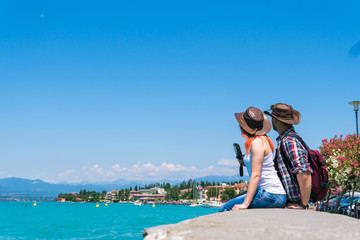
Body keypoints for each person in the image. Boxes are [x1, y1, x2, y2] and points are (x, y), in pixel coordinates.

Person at [219, 107, 286, 212]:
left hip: (270, 194)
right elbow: (261, 165)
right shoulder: (262, 140)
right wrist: (244, 161)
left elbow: (256, 175)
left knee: (225, 208)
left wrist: (245, 204)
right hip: (272, 194)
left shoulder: (257, 143)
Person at [264, 103, 312, 209]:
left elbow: (304, 172)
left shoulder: (289, 141)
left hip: (296, 202)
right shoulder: (286, 140)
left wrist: (303, 205)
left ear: (275, 120)